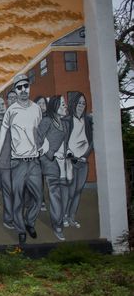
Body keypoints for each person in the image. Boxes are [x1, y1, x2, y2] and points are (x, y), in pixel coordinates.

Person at [0, 74, 45, 244]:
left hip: (34, 162)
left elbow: (39, 133)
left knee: (38, 197)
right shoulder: (11, 111)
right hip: (18, 163)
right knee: (18, 200)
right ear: (15, 90)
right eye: (19, 87)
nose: (23, 90)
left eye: (26, 86)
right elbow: (1, 136)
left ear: (29, 87)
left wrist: (43, 146)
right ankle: (21, 229)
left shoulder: (36, 109)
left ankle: (30, 222)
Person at [38, 95, 69, 241]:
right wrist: (50, 152)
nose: (65, 106)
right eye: (62, 103)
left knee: (56, 192)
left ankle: (58, 223)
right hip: (43, 161)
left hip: (56, 162)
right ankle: (57, 226)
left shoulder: (63, 124)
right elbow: (37, 140)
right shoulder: (47, 121)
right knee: (53, 193)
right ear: (55, 106)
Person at [63, 92, 93, 229]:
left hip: (83, 162)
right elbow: (63, 141)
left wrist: (85, 156)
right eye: (79, 103)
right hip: (71, 161)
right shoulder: (67, 120)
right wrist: (69, 155)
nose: (81, 105)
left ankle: (72, 218)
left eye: (83, 103)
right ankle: (64, 216)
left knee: (78, 191)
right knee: (70, 191)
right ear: (73, 104)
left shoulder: (87, 120)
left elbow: (91, 141)